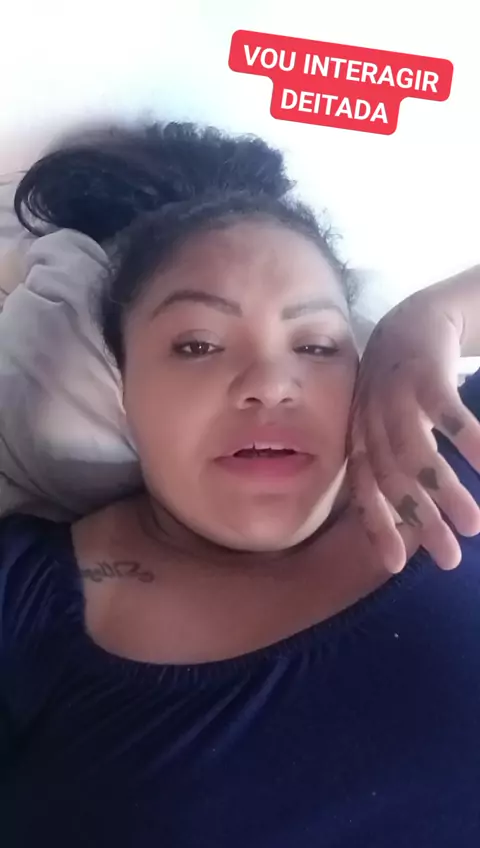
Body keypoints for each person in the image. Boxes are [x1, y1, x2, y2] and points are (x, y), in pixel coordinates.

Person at [1, 121, 480, 847]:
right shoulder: (23, 596)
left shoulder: (458, 449)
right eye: (198, 344)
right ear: (123, 390)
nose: (270, 383)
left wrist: (435, 314)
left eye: (316, 344)